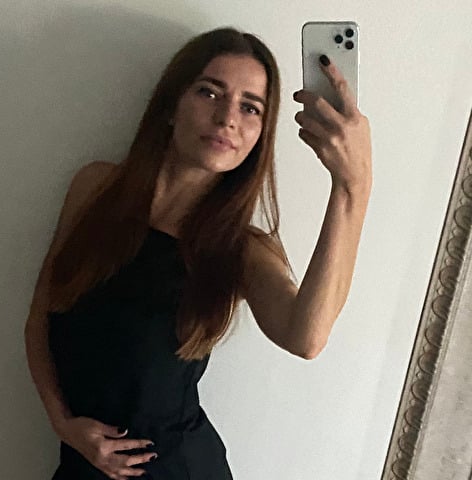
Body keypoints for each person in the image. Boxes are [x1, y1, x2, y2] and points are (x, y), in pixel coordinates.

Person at [24, 27, 371, 480]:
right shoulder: (94, 188)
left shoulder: (240, 250)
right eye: (210, 92)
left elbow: (306, 338)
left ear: (260, 134)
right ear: (172, 105)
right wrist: (64, 425)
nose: (227, 118)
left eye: (250, 107)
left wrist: (352, 187)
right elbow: (40, 319)